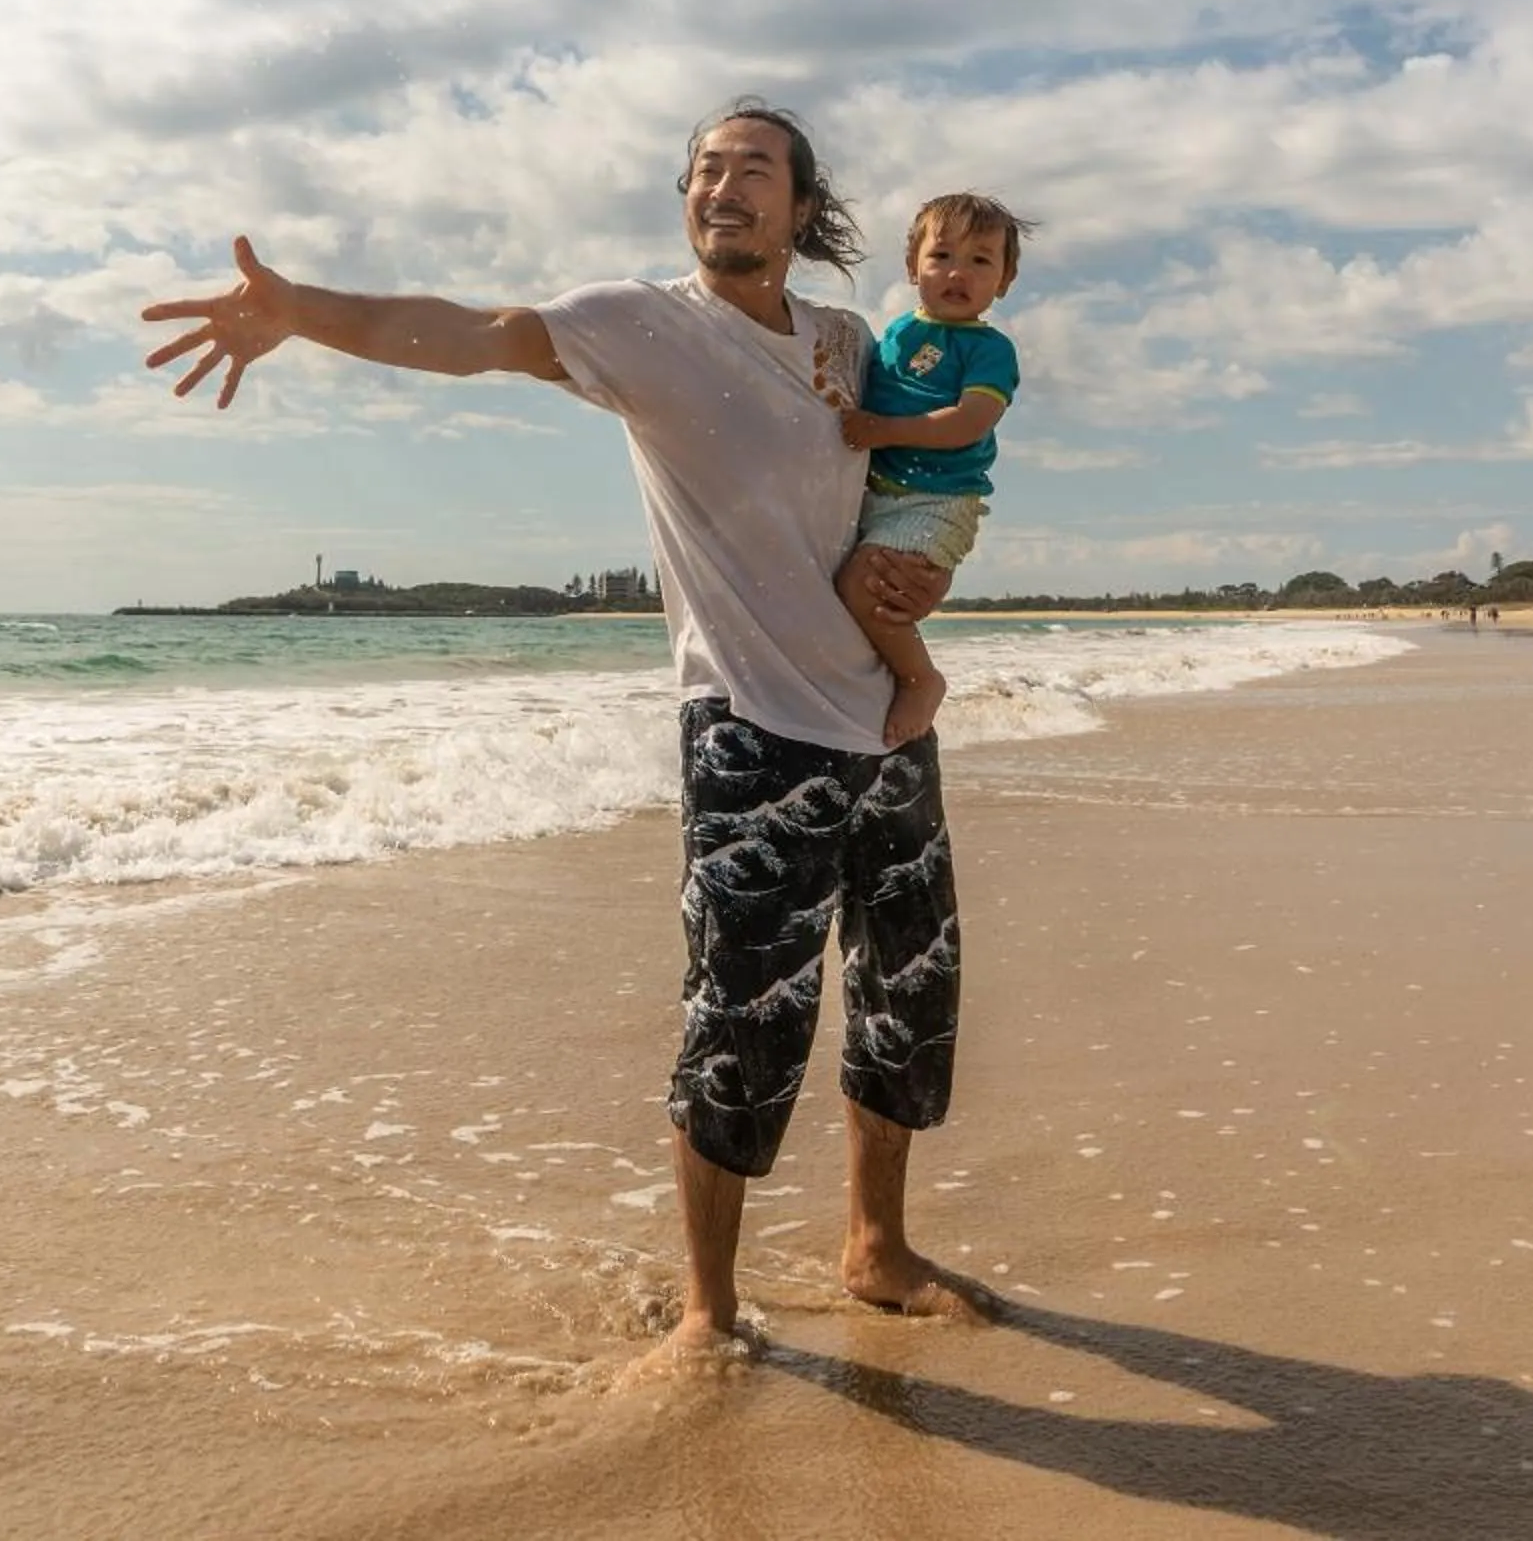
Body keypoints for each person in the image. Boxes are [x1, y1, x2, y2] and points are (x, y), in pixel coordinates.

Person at [139, 95, 979, 1355]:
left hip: (882, 721)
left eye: (756, 168)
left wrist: (932, 575)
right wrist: (302, 310)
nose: (723, 185)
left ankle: (875, 1246)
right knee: (742, 1017)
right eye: (705, 168)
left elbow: (916, 485)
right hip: (751, 726)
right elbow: (473, 334)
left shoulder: (850, 343)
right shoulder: (640, 326)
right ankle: (709, 1307)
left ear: (804, 208)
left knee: (907, 996)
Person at [834, 194, 1030, 747]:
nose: (957, 273)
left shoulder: (990, 350)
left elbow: (969, 421)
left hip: (939, 500)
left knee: (863, 584)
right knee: (850, 585)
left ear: (1005, 279)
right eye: (942, 255)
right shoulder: (895, 332)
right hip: (878, 494)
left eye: (980, 261)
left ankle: (921, 677)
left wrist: (885, 431)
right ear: (912, 266)